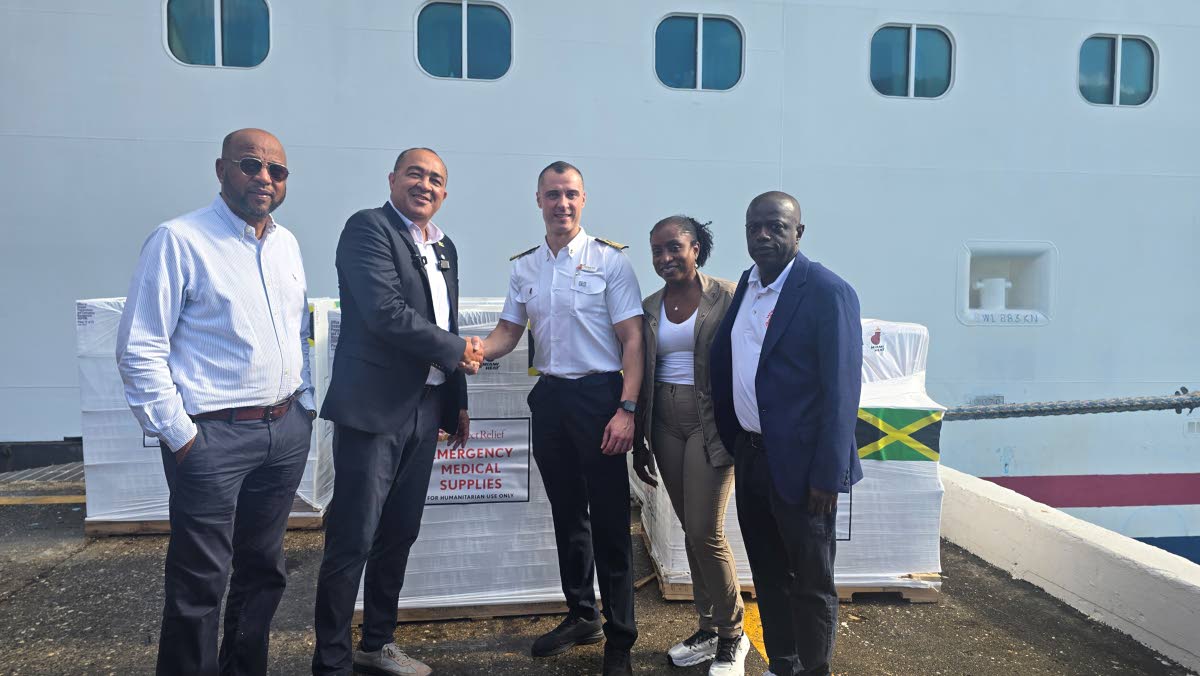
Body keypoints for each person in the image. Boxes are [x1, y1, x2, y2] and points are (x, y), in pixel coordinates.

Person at [116, 128, 315, 676]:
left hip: (283, 430)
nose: (265, 179)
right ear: (222, 169)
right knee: (199, 585)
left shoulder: (287, 244)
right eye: (251, 165)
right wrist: (181, 436)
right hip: (212, 438)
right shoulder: (179, 240)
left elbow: (299, 334)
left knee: (263, 572)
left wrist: (305, 406)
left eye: (277, 171)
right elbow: (140, 348)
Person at [312, 148, 483, 676]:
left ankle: (376, 644)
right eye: (415, 174)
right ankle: (333, 660)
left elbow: (445, 319)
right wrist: (458, 351)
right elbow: (386, 313)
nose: (425, 184)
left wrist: (455, 400)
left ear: (445, 192)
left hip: (426, 408)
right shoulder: (367, 230)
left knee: (400, 532)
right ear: (392, 179)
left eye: (435, 179)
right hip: (373, 411)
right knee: (353, 536)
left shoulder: (444, 246)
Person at [479, 161, 643, 676]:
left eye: (570, 194)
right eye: (553, 195)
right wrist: (471, 350)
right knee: (568, 516)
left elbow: (633, 339)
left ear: (584, 199)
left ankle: (621, 637)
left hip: (600, 399)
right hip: (550, 398)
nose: (562, 204)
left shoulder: (609, 262)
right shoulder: (525, 267)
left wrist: (627, 408)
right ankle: (582, 615)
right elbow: (509, 331)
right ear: (538, 201)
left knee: (612, 523)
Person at [709, 191, 863, 676]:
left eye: (775, 226)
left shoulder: (826, 291)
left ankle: (814, 670)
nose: (763, 235)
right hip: (753, 458)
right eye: (755, 226)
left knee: (811, 582)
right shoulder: (748, 286)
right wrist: (735, 439)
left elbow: (842, 391)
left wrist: (828, 475)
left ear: (799, 232)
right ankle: (784, 664)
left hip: (805, 469)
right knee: (769, 576)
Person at [630, 216, 749, 675]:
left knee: (705, 531)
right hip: (663, 422)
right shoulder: (650, 305)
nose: (664, 258)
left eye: (673, 248)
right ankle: (708, 626)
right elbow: (642, 373)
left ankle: (733, 635)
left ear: (695, 247)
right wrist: (641, 439)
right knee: (689, 530)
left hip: (709, 423)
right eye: (656, 251)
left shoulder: (728, 296)